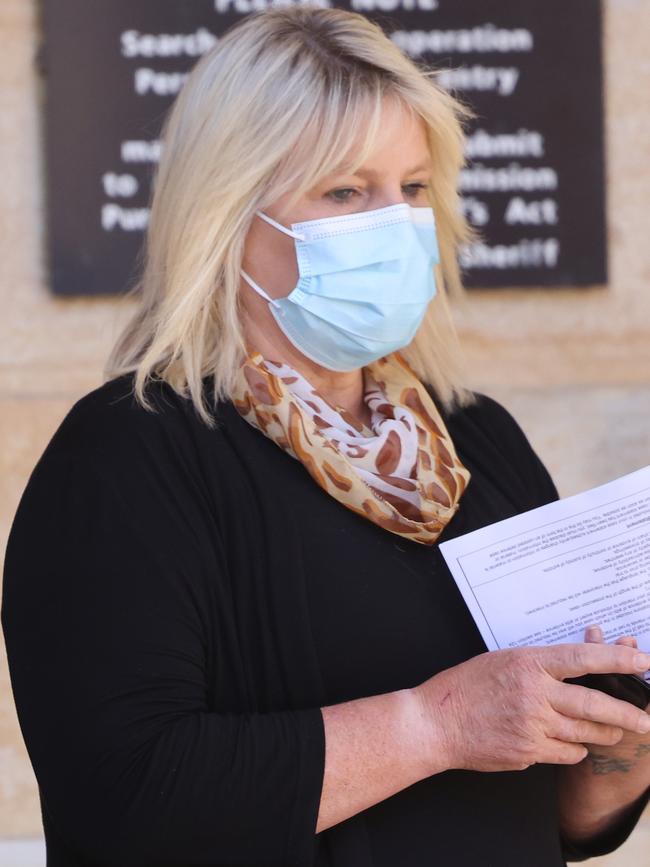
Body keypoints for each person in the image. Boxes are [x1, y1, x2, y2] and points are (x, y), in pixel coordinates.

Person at [2, 7, 649, 866]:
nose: (395, 222)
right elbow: (125, 802)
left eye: (414, 189)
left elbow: (553, 814)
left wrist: (619, 746)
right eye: (346, 191)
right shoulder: (127, 457)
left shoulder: (476, 440)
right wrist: (437, 723)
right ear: (227, 216)